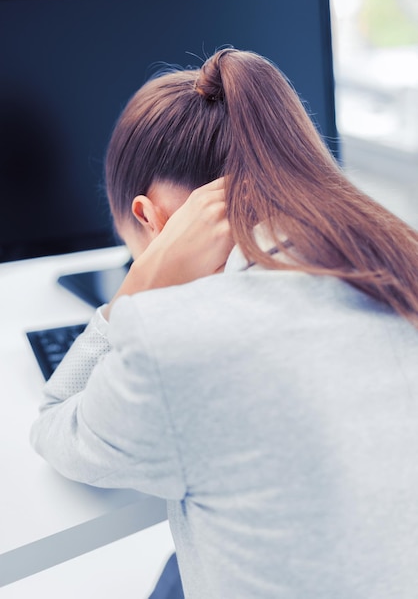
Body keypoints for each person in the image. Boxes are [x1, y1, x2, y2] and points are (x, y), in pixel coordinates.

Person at [30, 48, 418, 599]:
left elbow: (55, 428)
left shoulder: (176, 341)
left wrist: (140, 287)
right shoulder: (393, 258)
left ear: (148, 217)